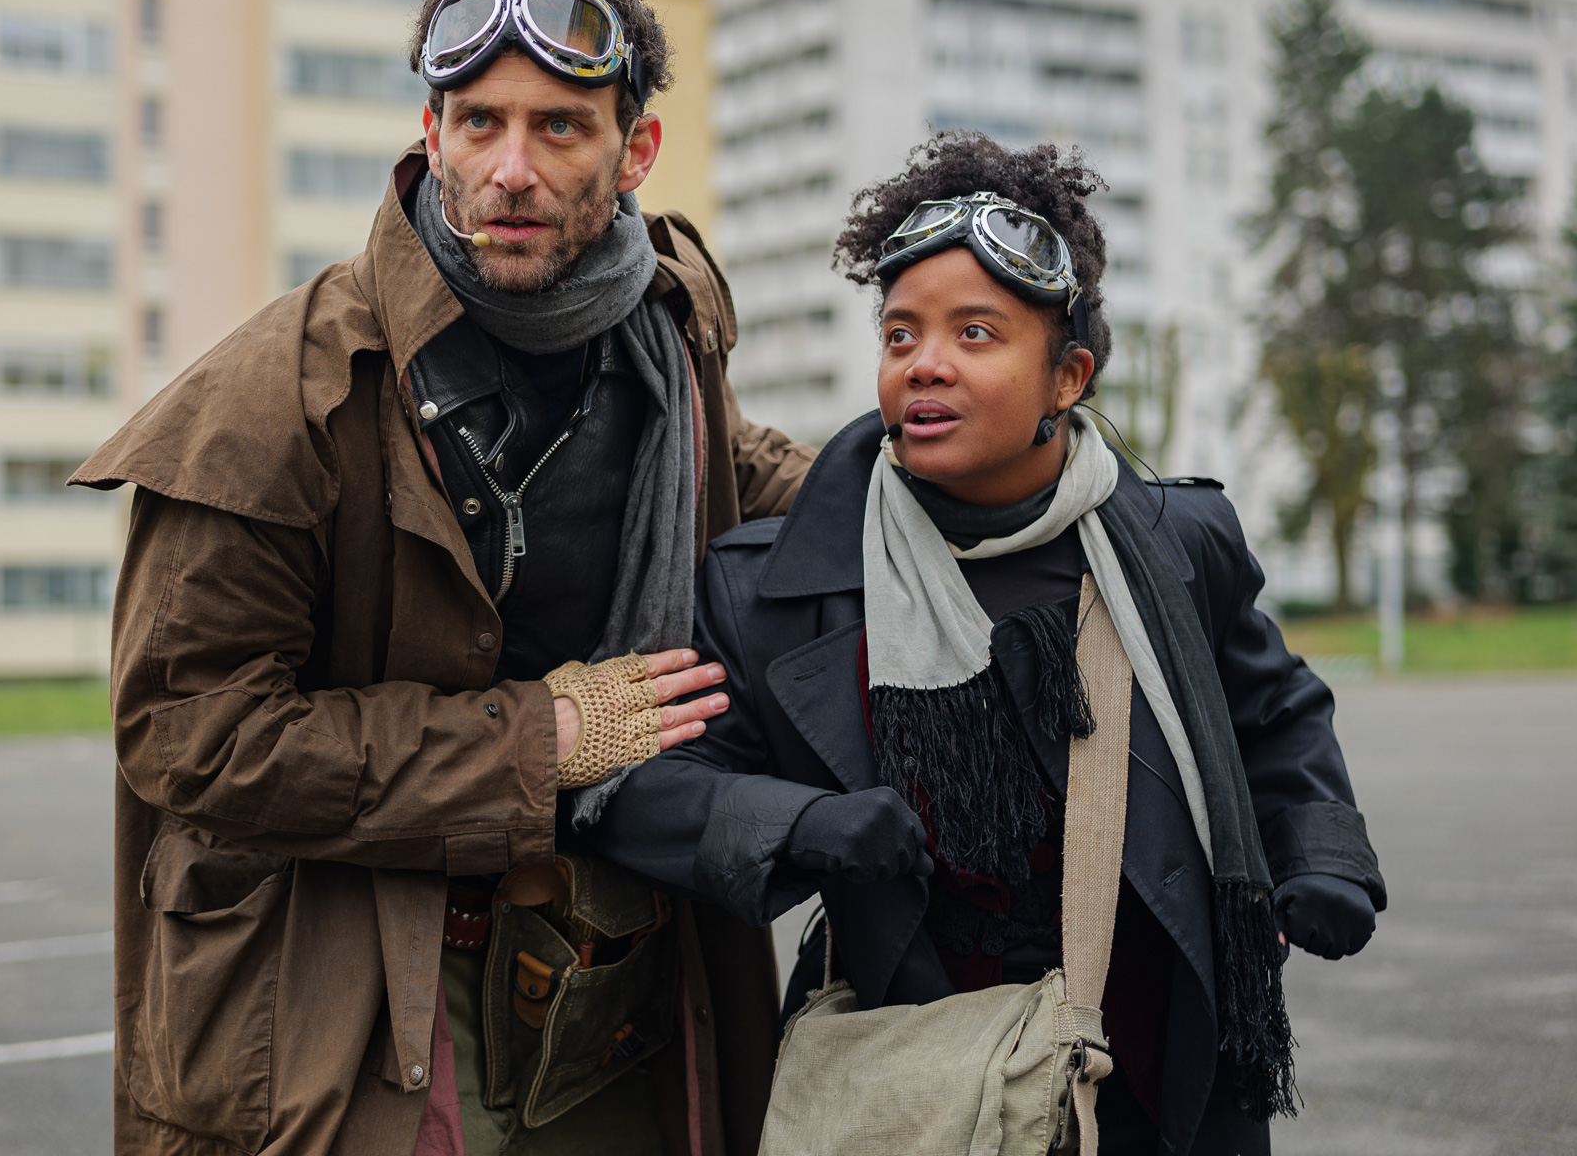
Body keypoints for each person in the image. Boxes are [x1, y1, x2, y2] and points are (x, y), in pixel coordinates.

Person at [70, 0, 814, 1156]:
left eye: (561, 128)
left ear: (636, 152)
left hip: (627, 964)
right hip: (362, 999)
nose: (510, 170)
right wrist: (541, 740)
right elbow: (188, 731)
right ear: (432, 124)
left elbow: (788, 497)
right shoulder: (274, 403)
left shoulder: (669, 359)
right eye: (479, 123)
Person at [584, 133, 1386, 1155]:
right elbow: (642, 786)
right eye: (901, 332)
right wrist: (801, 822)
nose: (926, 361)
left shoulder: (1179, 544)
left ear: (1067, 376)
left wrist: (1319, 857)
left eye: (976, 332)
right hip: (919, 1081)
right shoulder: (775, 586)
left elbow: (1274, 714)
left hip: (1156, 1072)